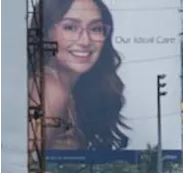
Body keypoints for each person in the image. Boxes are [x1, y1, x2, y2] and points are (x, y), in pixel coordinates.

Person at [31, 0, 129, 151]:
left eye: (96, 29)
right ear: (45, 33)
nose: (85, 41)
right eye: (70, 27)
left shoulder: (72, 90)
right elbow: (24, 165)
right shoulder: (51, 89)